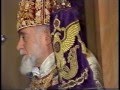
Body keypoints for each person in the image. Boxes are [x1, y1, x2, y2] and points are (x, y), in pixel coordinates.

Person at [16, 0, 103, 89]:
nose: (19, 46)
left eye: (23, 37)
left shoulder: (84, 67)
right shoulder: (38, 74)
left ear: (46, 37)